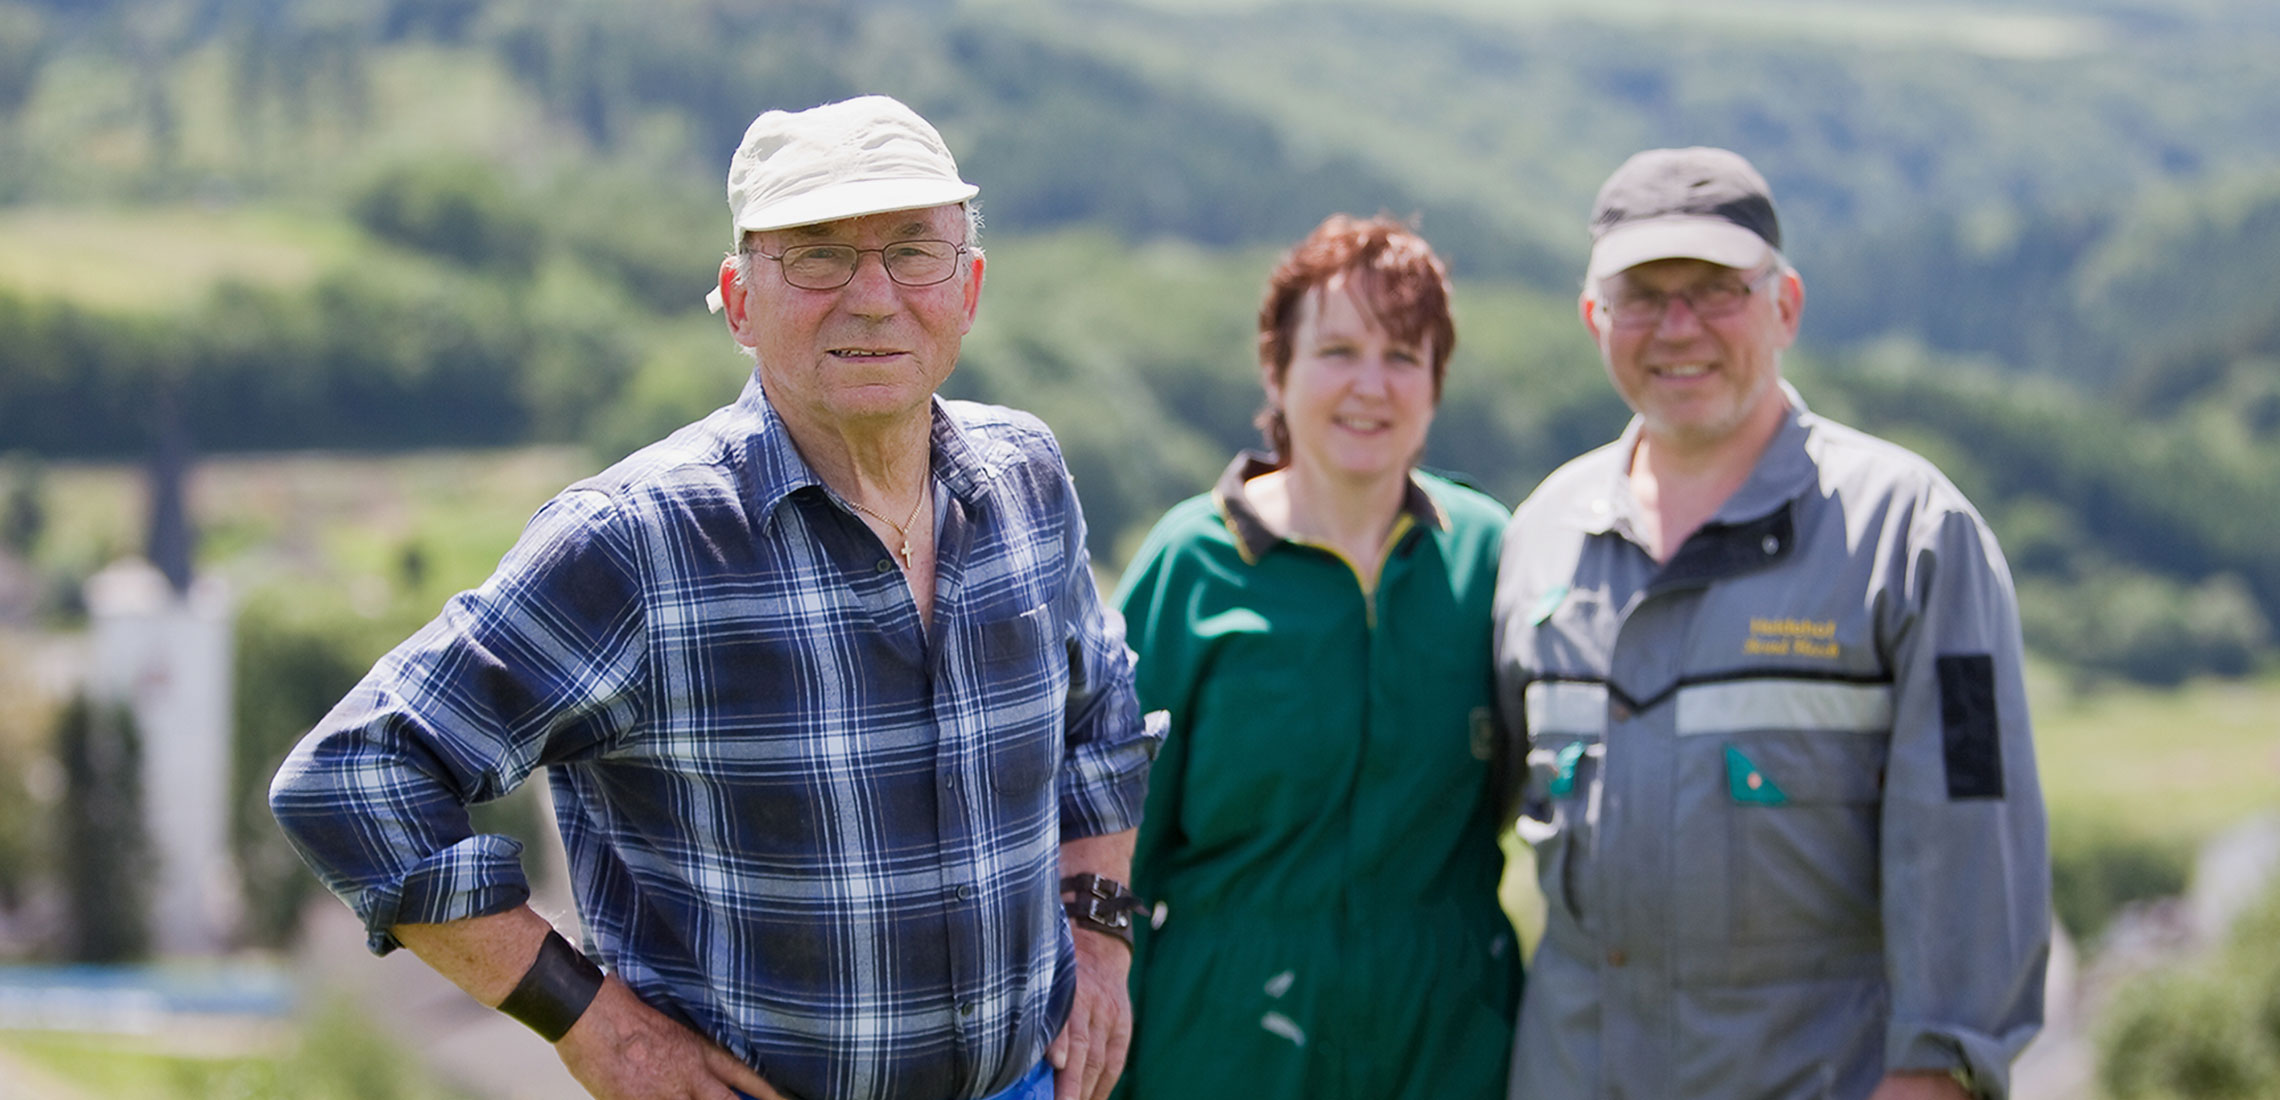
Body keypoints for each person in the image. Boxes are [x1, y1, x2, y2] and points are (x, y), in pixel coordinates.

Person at [270, 95, 1161, 1100]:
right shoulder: (640, 541)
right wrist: (591, 1023)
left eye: (914, 251)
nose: (873, 297)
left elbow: (1102, 721)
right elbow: (351, 777)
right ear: (739, 300)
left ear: (970, 287)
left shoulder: (1025, 478)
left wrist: (1100, 934)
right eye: (817, 255)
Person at [1493, 146, 2049, 1100]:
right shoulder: (1544, 535)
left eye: (1716, 291)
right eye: (1642, 296)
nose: (1678, 328)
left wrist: (1939, 1074)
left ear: (1785, 305)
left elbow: (1976, 827)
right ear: (1596, 320)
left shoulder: (1912, 535)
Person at [1112, 214, 1521, 1100]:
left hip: (1445, 1042)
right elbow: (1109, 846)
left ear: (1436, 384)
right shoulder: (1195, 565)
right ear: (1277, 368)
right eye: (1338, 350)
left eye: (1404, 356)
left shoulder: (1490, 555)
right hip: (1225, 1042)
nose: (1371, 386)